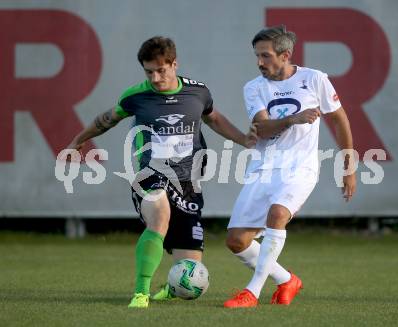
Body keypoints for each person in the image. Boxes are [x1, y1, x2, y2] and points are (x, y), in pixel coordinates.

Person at [65, 36, 256, 309]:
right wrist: (77, 141)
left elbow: (213, 118)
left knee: (189, 275)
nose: (155, 78)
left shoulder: (198, 92)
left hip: (189, 183)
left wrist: (243, 140)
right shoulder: (135, 96)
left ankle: (170, 287)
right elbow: (105, 120)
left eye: (161, 70)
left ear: (174, 64)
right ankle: (141, 292)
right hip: (150, 175)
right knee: (160, 215)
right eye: (148, 71)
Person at [223, 25, 356, 308]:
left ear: (285, 55)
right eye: (257, 56)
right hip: (264, 168)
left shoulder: (314, 79)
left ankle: (252, 292)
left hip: (300, 169)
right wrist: (294, 118)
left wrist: (349, 167)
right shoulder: (254, 87)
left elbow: (339, 120)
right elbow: (263, 127)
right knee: (236, 241)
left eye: (266, 56)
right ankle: (286, 280)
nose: (260, 63)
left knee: (278, 214)